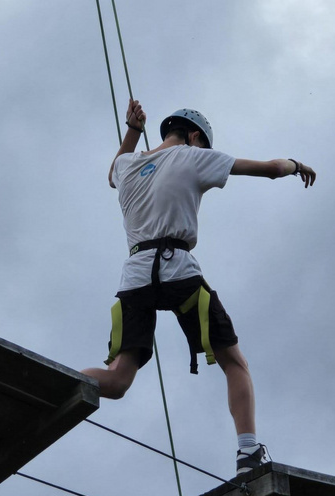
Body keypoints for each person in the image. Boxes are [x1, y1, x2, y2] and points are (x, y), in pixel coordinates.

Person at [82, 98, 316, 476]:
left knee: (118, 379)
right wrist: (295, 165)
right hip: (178, 270)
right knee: (234, 363)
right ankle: (248, 452)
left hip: (135, 275)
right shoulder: (194, 157)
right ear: (194, 137)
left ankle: (61, 381)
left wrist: (133, 132)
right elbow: (272, 169)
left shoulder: (127, 166)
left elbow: (112, 172)